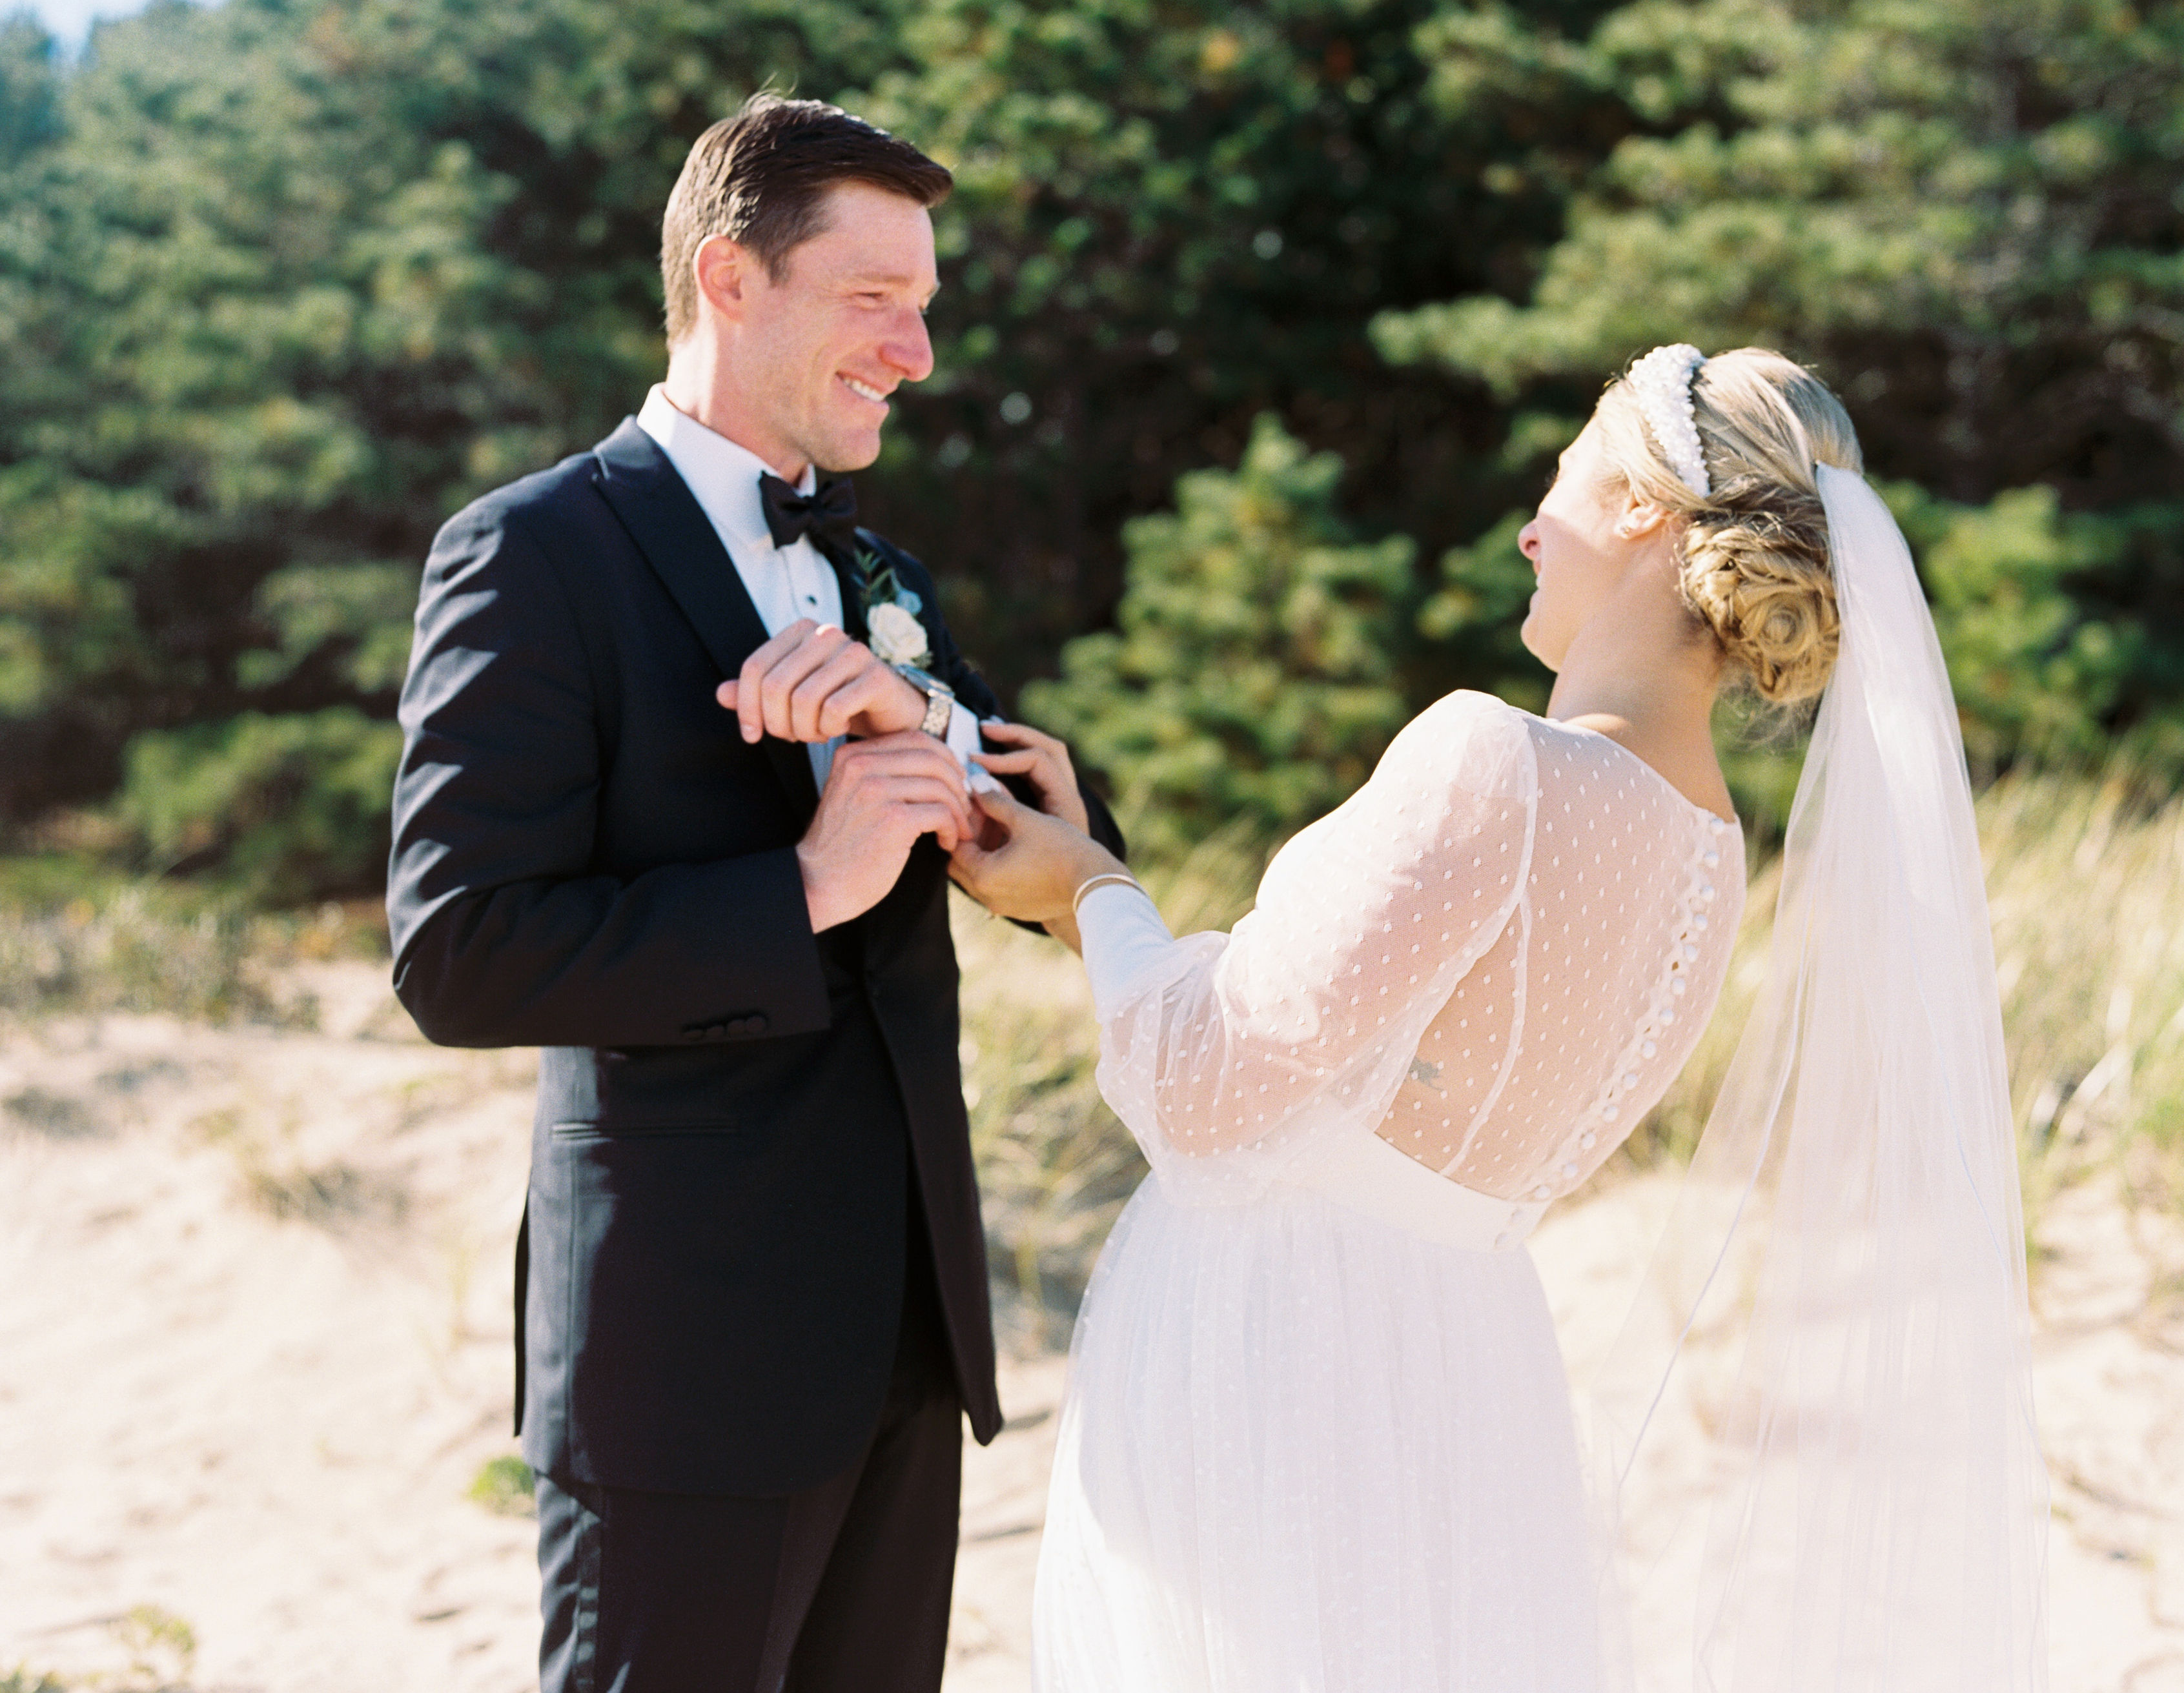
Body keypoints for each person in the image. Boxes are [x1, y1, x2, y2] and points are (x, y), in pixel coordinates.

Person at [951, 346, 2048, 1690]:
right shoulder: (1709, 859)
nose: (1532, 526)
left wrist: (1094, 888)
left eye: (1567, 479)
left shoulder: (1495, 761)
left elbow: (1197, 1093)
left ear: (1648, 509)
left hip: (1283, 1356)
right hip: (1464, 1374)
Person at [387, 94, 1123, 1693]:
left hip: (910, 1336)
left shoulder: (882, 577)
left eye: (926, 308)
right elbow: (456, 954)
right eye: (879, 302)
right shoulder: (529, 555)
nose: (917, 353)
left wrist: (907, 718)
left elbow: (1068, 828)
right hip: (684, 1359)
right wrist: (796, 889)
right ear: (731, 279)